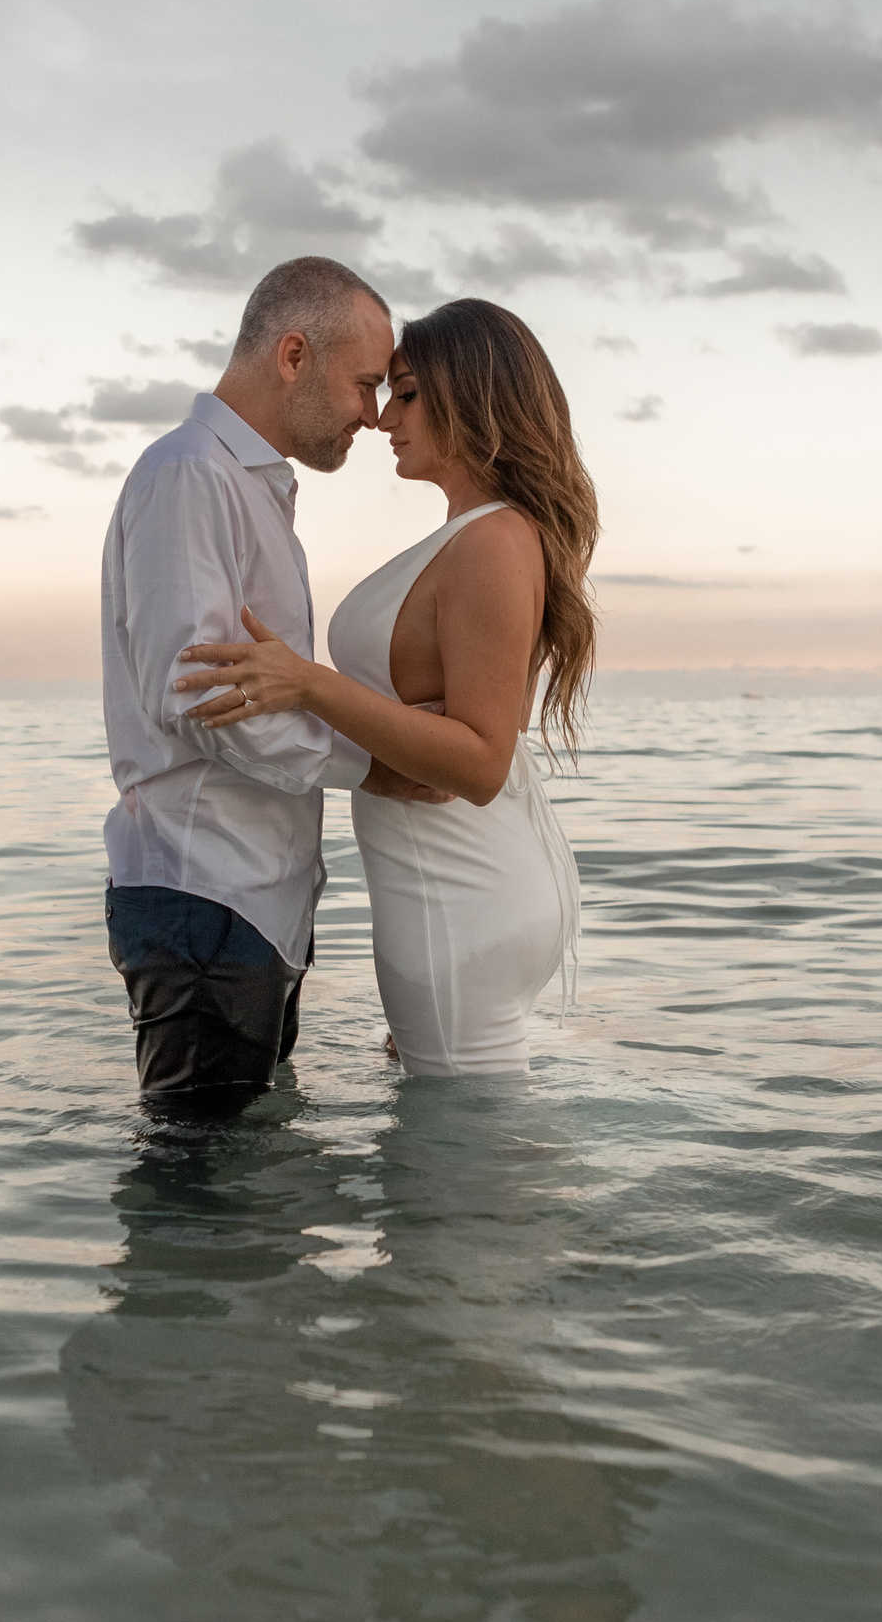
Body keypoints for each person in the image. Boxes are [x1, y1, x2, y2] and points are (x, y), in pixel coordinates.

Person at [173, 298, 595, 1076]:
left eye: (406, 394)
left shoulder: (493, 541)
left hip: (460, 892)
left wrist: (308, 685)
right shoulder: (477, 535)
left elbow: (481, 761)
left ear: (472, 397)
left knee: (464, 1147)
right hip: (461, 889)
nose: (382, 418)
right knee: (458, 1123)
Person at [100, 256, 451, 1108]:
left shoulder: (247, 489)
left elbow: (256, 690)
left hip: (249, 901)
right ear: (294, 355)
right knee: (203, 1178)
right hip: (205, 890)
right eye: (364, 384)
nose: (372, 415)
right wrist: (379, 767)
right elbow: (202, 699)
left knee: (244, 1169)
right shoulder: (191, 476)